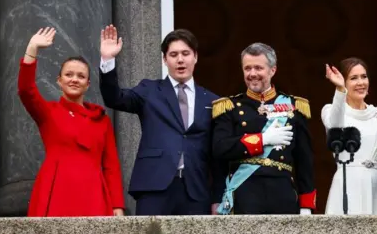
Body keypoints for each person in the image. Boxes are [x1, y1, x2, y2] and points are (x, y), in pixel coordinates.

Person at [98, 25, 225, 215]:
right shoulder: (149, 90)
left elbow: (218, 156)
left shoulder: (213, 101)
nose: (180, 60)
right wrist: (108, 60)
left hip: (196, 190)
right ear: (165, 59)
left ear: (195, 57)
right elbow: (114, 98)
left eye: (185, 53)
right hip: (154, 187)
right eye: (173, 55)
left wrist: (217, 198)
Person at [18, 27, 125, 217]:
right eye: (69, 75)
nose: (74, 79)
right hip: (56, 191)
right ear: (59, 81)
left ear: (88, 84)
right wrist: (32, 48)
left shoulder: (101, 120)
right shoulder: (48, 112)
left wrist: (117, 207)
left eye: (81, 76)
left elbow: (111, 166)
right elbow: (26, 90)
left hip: (94, 195)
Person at [212, 42, 317, 215]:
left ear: (272, 70)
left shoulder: (294, 106)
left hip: (283, 193)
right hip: (244, 192)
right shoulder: (229, 107)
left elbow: (304, 159)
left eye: (258, 68)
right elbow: (220, 149)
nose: (252, 74)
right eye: (247, 68)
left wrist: (306, 204)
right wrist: (263, 140)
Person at [321, 58, 377, 215]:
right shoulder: (331, 111)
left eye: (364, 77)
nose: (360, 82)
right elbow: (334, 125)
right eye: (353, 78)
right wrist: (339, 89)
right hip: (347, 182)